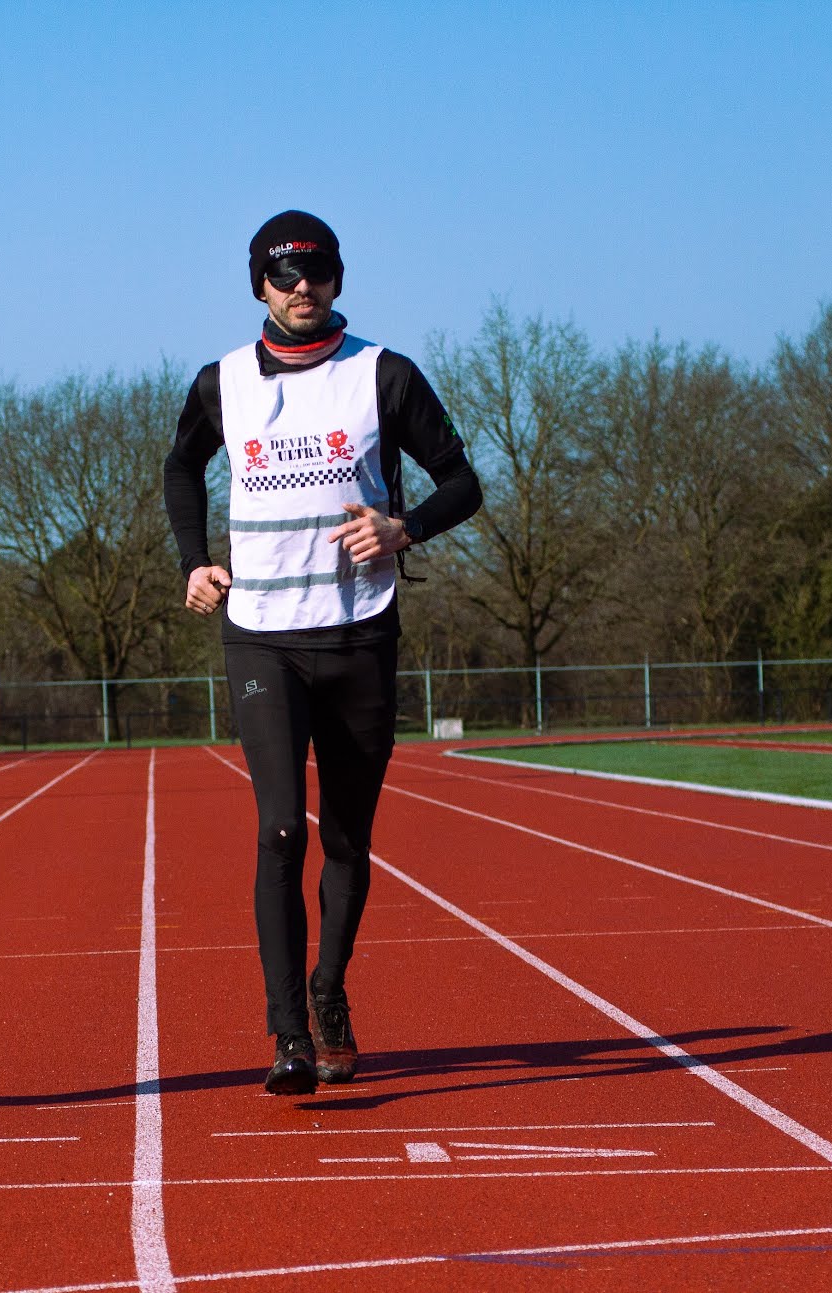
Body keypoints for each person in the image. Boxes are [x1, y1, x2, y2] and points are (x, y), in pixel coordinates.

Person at [164, 211, 482, 1094]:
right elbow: (180, 467)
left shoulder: (384, 374)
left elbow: (464, 480)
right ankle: (288, 1034)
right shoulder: (220, 382)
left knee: (345, 835)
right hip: (261, 634)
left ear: (338, 278)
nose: (302, 287)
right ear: (258, 285)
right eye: (284, 273)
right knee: (276, 828)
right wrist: (195, 559)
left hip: (358, 632)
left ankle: (330, 990)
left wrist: (404, 525)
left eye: (317, 272)